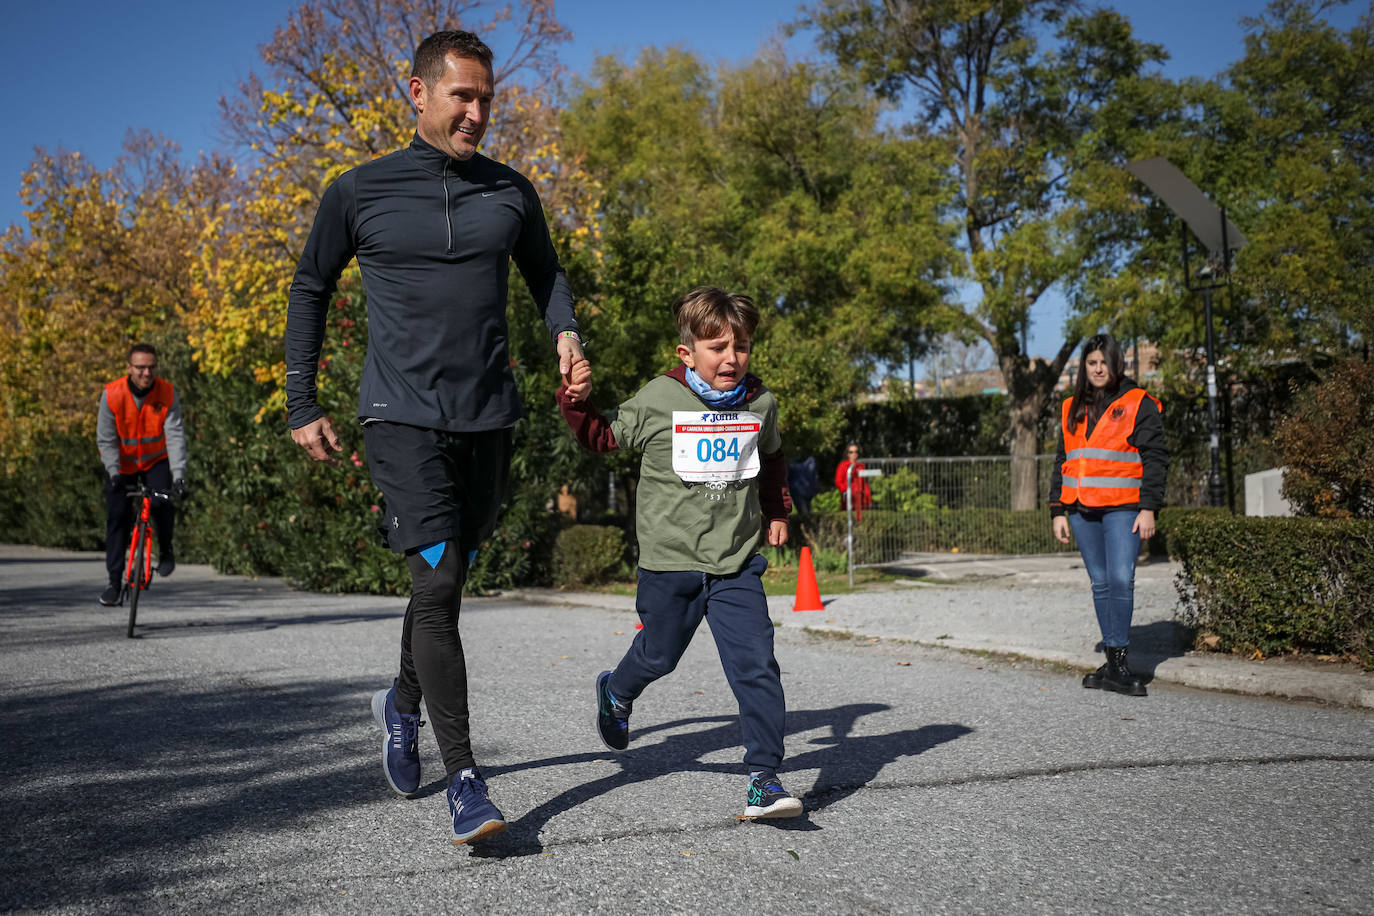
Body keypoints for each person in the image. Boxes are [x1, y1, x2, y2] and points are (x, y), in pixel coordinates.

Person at [283, 30, 584, 846]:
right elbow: (311, 287)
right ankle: (467, 782)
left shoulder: (511, 192)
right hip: (401, 416)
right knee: (440, 579)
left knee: (444, 585)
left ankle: (401, 703)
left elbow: (547, 275)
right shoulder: (359, 191)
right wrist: (300, 400)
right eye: (463, 97)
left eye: (487, 98)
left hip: (489, 417)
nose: (478, 113)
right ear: (418, 93)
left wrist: (566, 332)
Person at [556, 287, 803, 820]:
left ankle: (763, 776)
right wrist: (575, 400)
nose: (732, 358)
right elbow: (602, 438)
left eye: (741, 347)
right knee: (660, 655)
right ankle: (617, 692)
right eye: (717, 347)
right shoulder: (658, 399)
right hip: (670, 563)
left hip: (736, 563)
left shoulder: (761, 403)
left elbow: (774, 458)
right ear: (687, 354)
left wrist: (778, 511)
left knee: (756, 664)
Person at [1049, 333, 1168, 697]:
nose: (1098, 369)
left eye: (1104, 362)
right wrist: (1057, 510)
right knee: (1100, 582)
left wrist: (1148, 508)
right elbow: (1061, 461)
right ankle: (1112, 665)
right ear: (1084, 368)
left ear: (1116, 364)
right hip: (1081, 510)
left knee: (1121, 578)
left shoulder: (1138, 402)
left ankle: (1118, 663)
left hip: (1123, 508)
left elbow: (1155, 459)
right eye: (1091, 363)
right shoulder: (1070, 406)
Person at [97, 343, 187, 607]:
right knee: (117, 517)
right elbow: (106, 439)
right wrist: (113, 472)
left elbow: (175, 435)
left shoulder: (166, 392)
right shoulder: (111, 394)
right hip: (122, 465)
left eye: (151, 367)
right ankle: (114, 582)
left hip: (154, 460)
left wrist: (179, 474)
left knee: (161, 502)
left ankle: (166, 549)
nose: (146, 373)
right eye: (140, 367)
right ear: (128, 368)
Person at [834, 442, 873, 520]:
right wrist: (846, 491)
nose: (854, 454)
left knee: (863, 519)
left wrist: (869, 498)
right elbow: (838, 482)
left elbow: (865, 483)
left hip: (862, 499)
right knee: (850, 520)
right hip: (850, 498)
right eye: (851, 452)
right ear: (847, 454)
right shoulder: (842, 465)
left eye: (856, 451)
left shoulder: (861, 465)